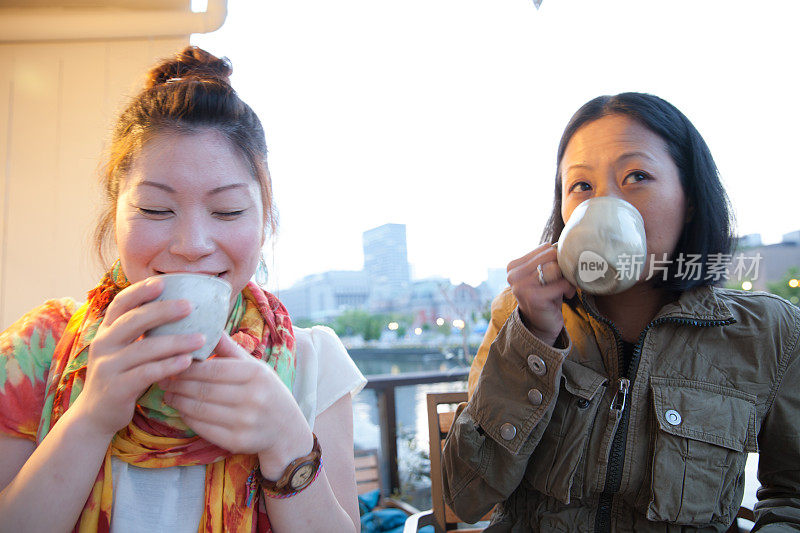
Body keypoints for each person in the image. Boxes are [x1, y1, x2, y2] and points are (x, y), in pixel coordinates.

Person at [0, 46, 365, 532]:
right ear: (116, 212)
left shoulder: (314, 363)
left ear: (264, 221)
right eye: (155, 209)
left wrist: (285, 439)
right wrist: (90, 417)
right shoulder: (38, 350)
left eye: (228, 211)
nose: (192, 246)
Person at [442, 92, 800, 532]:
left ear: (688, 199)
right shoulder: (519, 315)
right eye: (582, 186)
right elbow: (466, 494)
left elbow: (791, 497)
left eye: (636, 176)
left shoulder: (770, 332)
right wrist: (533, 338)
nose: (606, 203)